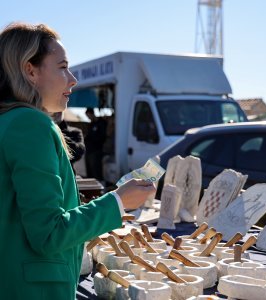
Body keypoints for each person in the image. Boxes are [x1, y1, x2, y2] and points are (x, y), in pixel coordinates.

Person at [0, 22, 156, 300]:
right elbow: (49, 234)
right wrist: (118, 201)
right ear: (30, 70)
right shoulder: (30, 123)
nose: (72, 79)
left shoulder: (9, 121)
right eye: (62, 67)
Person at [84, 107, 107, 181]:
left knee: (96, 172)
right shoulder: (91, 124)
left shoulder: (101, 123)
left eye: (89, 116)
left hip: (96, 151)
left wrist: (91, 138)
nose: (88, 118)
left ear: (92, 114)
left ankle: (99, 189)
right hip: (89, 150)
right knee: (90, 172)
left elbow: (102, 137)